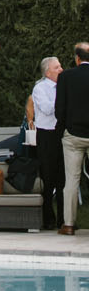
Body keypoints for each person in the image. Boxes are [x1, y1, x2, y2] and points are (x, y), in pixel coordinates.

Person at [55, 41, 89, 235]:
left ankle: (68, 224)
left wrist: (65, 125)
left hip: (73, 135)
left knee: (71, 180)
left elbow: (59, 108)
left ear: (77, 59)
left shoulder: (66, 76)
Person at [29, 55, 64, 231]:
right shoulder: (40, 88)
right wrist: (64, 101)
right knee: (48, 178)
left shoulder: (64, 86)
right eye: (57, 67)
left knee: (62, 179)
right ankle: (48, 218)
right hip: (46, 135)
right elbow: (47, 108)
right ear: (48, 71)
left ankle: (64, 219)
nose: (61, 70)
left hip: (61, 134)